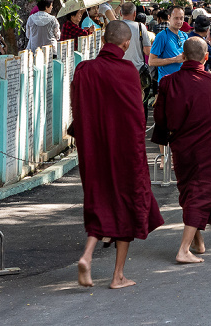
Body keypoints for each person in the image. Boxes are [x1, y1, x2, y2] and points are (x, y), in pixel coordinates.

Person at [70, 20, 164, 289]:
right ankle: (117, 276)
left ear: (102, 42)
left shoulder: (84, 69)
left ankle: (87, 256)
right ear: (125, 44)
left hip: (93, 151)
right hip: (124, 152)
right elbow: (136, 117)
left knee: (100, 201)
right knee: (127, 207)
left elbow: (77, 108)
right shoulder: (127, 71)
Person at [153, 37, 211, 263]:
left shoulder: (168, 82)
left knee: (190, 190)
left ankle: (197, 241)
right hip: (209, 149)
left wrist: (169, 135)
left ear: (183, 56)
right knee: (200, 192)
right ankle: (183, 250)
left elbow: (160, 116)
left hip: (182, 146)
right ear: (206, 57)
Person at [149, 6, 188, 81]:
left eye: (181, 18)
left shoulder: (184, 35)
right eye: (176, 18)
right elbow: (151, 61)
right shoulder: (162, 36)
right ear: (169, 17)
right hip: (167, 82)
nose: (179, 21)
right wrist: (175, 60)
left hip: (182, 81)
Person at [120, 2, 151, 72]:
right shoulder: (140, 27)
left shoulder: (115, 27)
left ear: (120, 13)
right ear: (135, 13)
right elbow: (147, 51)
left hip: (119, 69)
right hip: (137, 69)